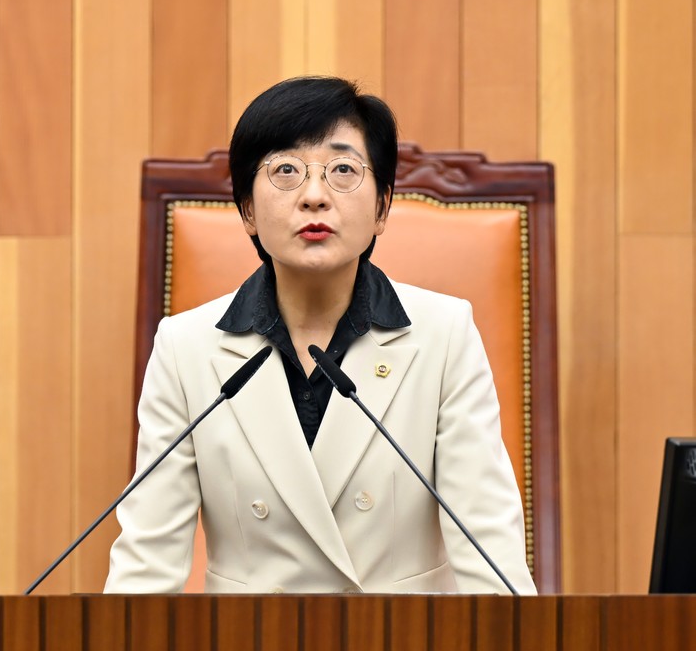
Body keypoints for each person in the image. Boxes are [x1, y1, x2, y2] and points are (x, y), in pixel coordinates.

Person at [104, 76, 536, 595]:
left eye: (343, 171)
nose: (314, 197)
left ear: (382, 208)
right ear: (247, 209)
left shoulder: (444, 336)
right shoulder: (184, 348)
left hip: (401, 633)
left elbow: (490, 556)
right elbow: (145, 574)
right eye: (285, 171)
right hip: (249, 634)